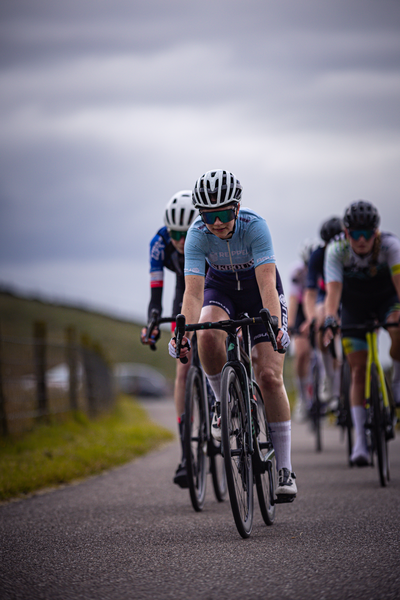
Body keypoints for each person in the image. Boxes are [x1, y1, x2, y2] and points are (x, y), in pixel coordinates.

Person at [168, 169, 297, 499]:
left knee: (268, 374)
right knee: (207, 335)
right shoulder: (198, 235)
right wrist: (182, 331)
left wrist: (278, 327)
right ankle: (222, 403)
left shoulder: (256, 227)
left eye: (223, 214)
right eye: (208, 216)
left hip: (258, 289)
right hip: (221, 290)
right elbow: (194, 294)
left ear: (236, 208)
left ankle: (284, 468)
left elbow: (268, 282)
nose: (216, 223)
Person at [323, 200, 400, 466]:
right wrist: (330, 319)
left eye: (368, 233)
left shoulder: (391, 247)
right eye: (356, 233)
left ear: (376, 233)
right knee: (358, 370)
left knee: (396, 327)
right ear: (346, 234)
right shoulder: (336, 251)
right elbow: (332, 294)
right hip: (354, 307)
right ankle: (360, 441)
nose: (362, 240)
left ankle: (397, 379)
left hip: (386, 302)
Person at [141, 190, 198, 487]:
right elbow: (156, 297)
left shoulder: (206, 238)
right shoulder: (159, 244)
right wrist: (152, 323)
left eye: (185, 233)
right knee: (182, 368)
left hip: (210, 285)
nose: (179, 240)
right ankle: (186, 454)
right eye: (175, 233)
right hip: (181, 291)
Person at [302, 217, 345, 411]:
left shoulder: (349, 251)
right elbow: (309, 294)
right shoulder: (318, 256)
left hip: (350, 295)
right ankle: (328, 376)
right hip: (325, 296)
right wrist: (312, 318)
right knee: (321, 321)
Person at [287, 239, 319, 422]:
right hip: (300, 310)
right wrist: (291, 325)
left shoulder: (325, 267)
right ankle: (301, 397)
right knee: (301, 353)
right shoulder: (297, 271)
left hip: (319, 305)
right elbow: (292, 300)